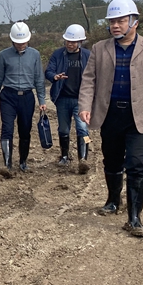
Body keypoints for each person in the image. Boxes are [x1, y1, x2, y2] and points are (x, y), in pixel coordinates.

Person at [78, 0, 143, 237]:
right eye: (112, 21)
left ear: (134, 22)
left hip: (139, 117)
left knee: (137, 165)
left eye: (121, 21)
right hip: (110, 115)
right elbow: (89, 80)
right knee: (112, 162)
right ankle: (113, 200)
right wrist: (85, 106)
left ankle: (134, 217)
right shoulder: (100, 49)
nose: (115, 25)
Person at [0, 22, 47, 178]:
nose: (21, 45)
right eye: (18, 42)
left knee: (25, 130)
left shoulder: (35, 55)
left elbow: (39, 78)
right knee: (7, 128)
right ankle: (7, 164)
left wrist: (42, 100)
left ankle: (23, 161)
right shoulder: (4, 55)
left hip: (27, 97)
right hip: (8, 96)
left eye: (23, 42)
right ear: (12, 40)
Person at [45, 24, 91, 173]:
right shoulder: (58, 54)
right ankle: (64, 156)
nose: (70, 44)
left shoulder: (88, 55)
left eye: (73, 42)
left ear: (80, 42)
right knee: (63, 129)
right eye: (68, 41)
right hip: (63, 98)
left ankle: (83, 159)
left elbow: (94, 75)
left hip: (81, 100)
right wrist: (54, 77)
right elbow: (48, 71)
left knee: (83, 129)